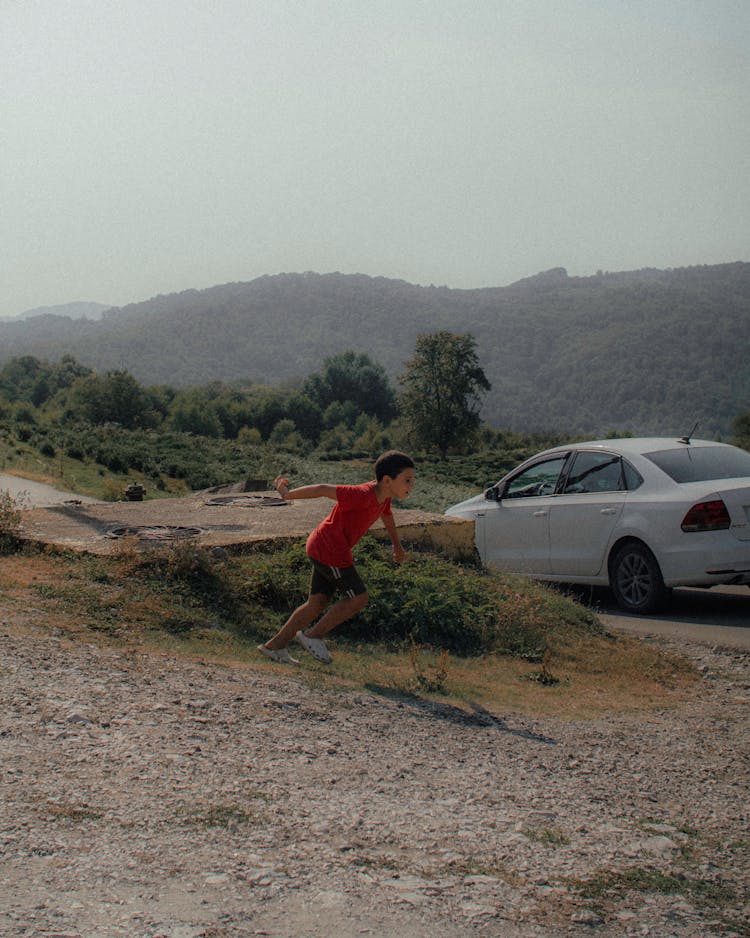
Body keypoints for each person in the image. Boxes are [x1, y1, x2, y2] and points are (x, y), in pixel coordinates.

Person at [258, 450, 415, 664]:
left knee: (317, 603)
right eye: (407, 480)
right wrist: (287, 494)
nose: (411, 485)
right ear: (387, 480)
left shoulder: (384, 497)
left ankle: (274, 646)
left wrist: (397, 545)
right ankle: (313, 636)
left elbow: (386, 515)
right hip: (329, 550)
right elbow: (323, 489)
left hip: (326, 548)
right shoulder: (362, 494)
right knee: (359, 598)